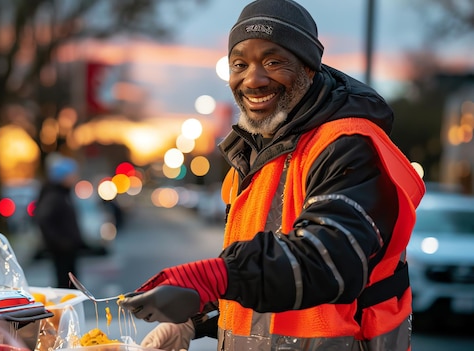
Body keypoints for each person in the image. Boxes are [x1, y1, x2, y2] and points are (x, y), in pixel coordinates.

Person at [119, 1, 426, 350]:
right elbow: (269, 292)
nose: (253, 79)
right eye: (240, 64)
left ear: (309, 69)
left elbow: (328, 261)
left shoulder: (347, 144)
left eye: (273, 61)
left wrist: (215, 276)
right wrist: (195, 321)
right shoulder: (253, 158)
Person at [34, 154, 87, 288]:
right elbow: (44, 220)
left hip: (68, 250)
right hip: (62, 252)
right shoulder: (54, 196)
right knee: (65, 286)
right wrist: (61, 243)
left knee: (70, 285)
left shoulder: (63, 194)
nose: (75, 177)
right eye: (72, 174)